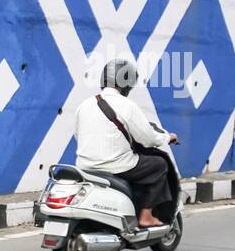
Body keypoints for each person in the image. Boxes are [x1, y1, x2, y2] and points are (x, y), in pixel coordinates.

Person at [74, 59, 179, 228]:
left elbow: (78, 135)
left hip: (85, 165)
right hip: (116, 166)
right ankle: (145, 216)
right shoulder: (127, 105)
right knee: (159, 165)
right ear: (127, 84)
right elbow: (148, 138)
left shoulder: (84, 105)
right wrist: (168, 137)